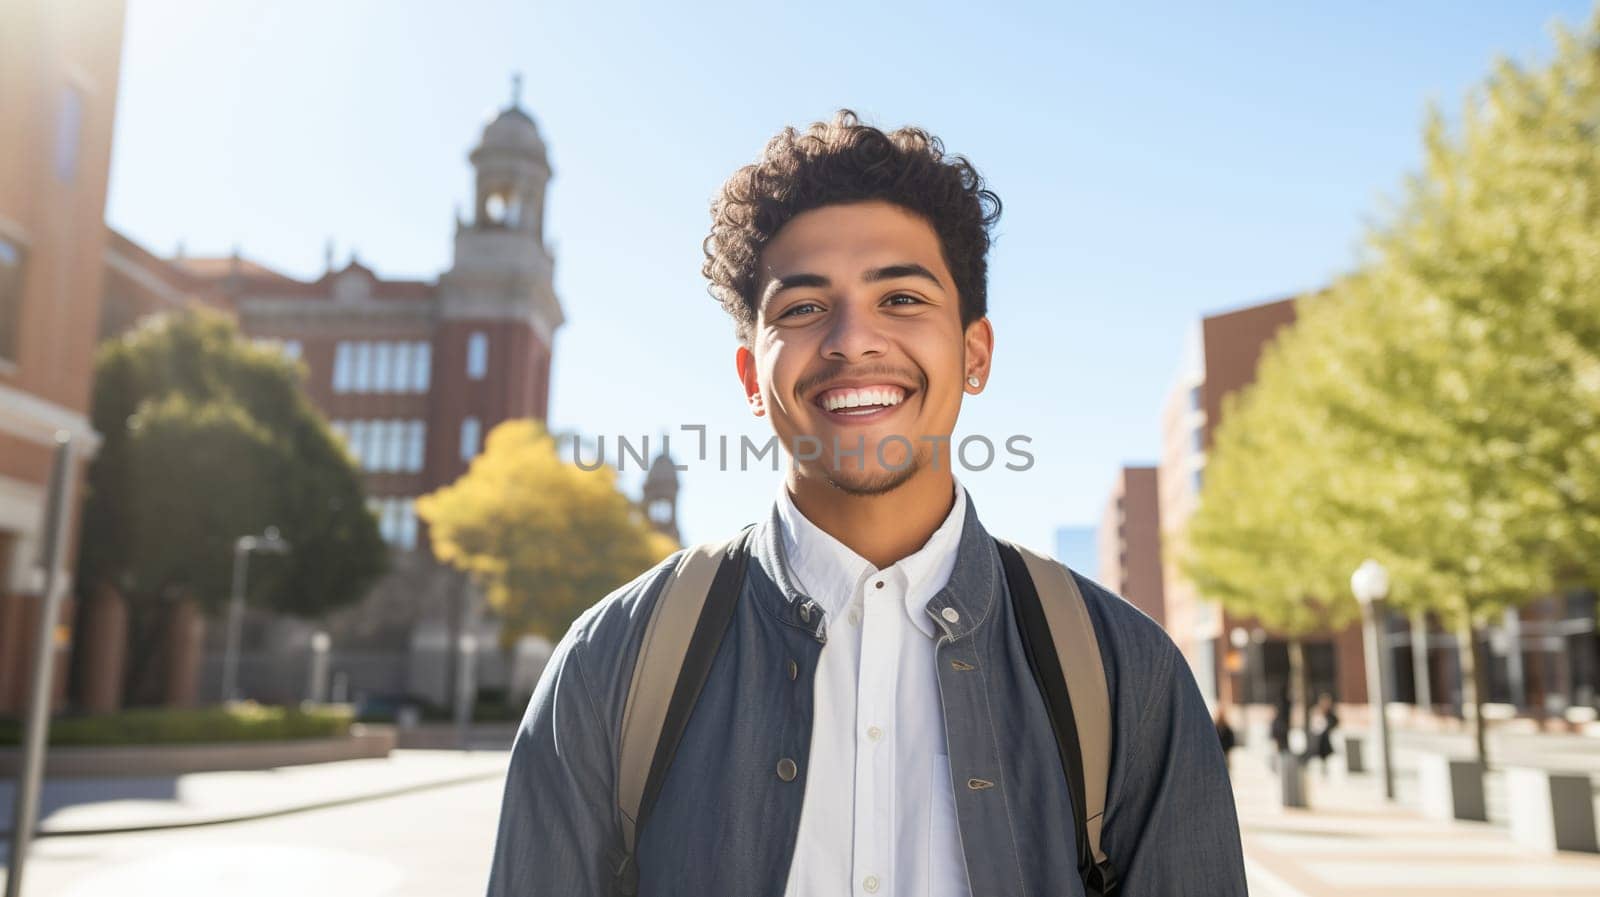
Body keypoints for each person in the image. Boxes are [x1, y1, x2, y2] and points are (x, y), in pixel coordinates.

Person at [485, 110, 1247, 896]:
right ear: (752, 377)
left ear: (975, 352)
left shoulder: (1129, 676)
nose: (853, 339)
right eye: (804, 308)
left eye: (903, 299)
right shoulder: (608, 666)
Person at [1303, 692, 1339, 778]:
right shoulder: (1316, 712)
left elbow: (1334, 723)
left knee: (1323, 757)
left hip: (1324, 740)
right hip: (1315, 739)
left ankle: (1323, 772)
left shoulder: (1330, 714)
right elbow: (1315, 726)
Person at [1215, 704, 1238, 773]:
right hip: (1218, 753)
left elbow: (1231, 740)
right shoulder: (1215, 728)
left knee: (1226, 770)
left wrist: (1227, 748)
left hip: (1225, 752)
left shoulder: (1227, 728)